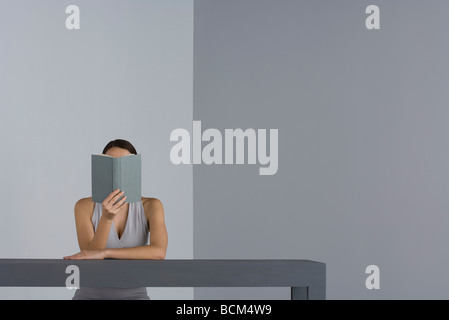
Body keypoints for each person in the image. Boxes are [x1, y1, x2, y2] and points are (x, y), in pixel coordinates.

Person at [64, 139, 168, 300]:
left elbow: (159, 252)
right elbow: (90, 259)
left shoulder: (152, 205)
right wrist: (106, 218)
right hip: (89, 296)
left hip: (135, 296)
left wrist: (106, 253)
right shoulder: (84, 206)